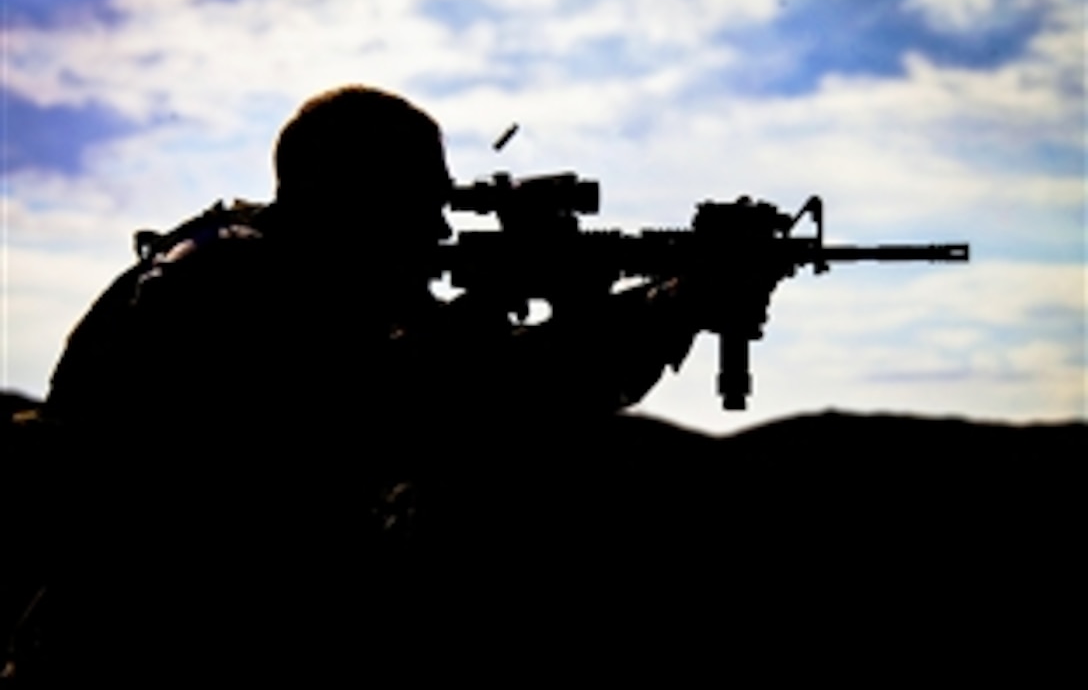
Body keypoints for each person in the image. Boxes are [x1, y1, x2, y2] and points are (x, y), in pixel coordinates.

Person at [40, 85, 701, 677]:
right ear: (357, 197)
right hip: (147, 661)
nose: (442, 227)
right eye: (422, 202)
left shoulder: (309, 287)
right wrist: (497, 307)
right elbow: (405, 413)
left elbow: (506, 384)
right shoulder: (226, 282)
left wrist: (667, 308)